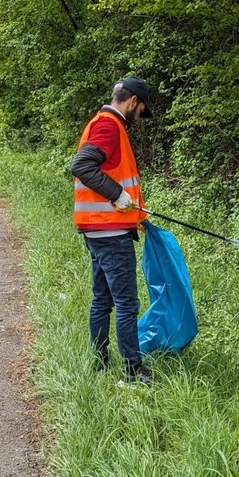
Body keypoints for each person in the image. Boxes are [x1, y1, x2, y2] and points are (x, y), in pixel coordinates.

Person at [70, 76, 154, 386]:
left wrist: (137, 215)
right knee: (127, 303)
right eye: (141, 109)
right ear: (133, 101)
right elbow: (82, 166)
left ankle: (99, 362)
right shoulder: (108, 126)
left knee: (102, 300)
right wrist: (118, 195)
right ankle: (132, 373)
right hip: (109, 233)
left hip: (100, 229)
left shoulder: (104, 123)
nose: (140, 116)